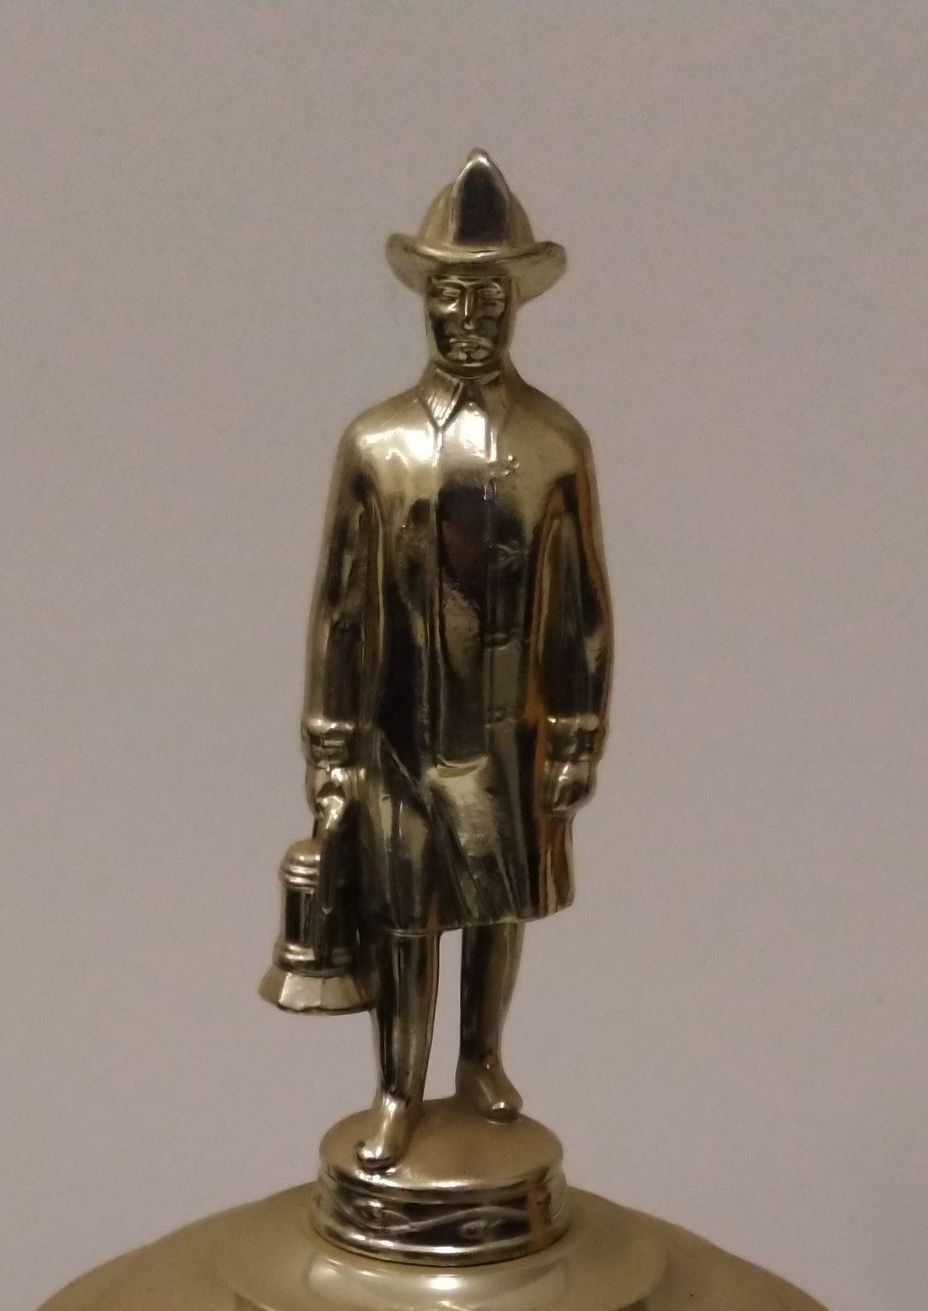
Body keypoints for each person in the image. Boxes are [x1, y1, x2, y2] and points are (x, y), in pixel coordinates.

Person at [297, 154, 613, 1171]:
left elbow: (581, 604)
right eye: (450, 295)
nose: (468, 317)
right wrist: (331, 747)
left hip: (508, 729)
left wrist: (575, 734)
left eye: (487, 298)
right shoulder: (377, 444)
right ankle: (398, 1087)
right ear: (424, 301)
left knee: (494, 905)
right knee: (402, 915)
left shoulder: (554, 444)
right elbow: (340, 609)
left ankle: (480, 1059)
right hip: (397, 735)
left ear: (515, 306)